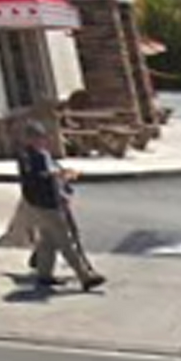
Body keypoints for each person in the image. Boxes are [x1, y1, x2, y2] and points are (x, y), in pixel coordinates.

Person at [16, 121, 105, 291]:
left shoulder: (38, 154)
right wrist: (59, 175)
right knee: (65, 240)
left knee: (48, 240)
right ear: (29, 139)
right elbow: (39, 177)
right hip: (45, 204)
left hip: (46, 201)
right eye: (36, 137)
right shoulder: (31, 157)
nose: (41, 140)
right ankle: (84, 276)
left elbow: (52, 174)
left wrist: (64, 178)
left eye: (41, 137)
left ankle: (44, 274)